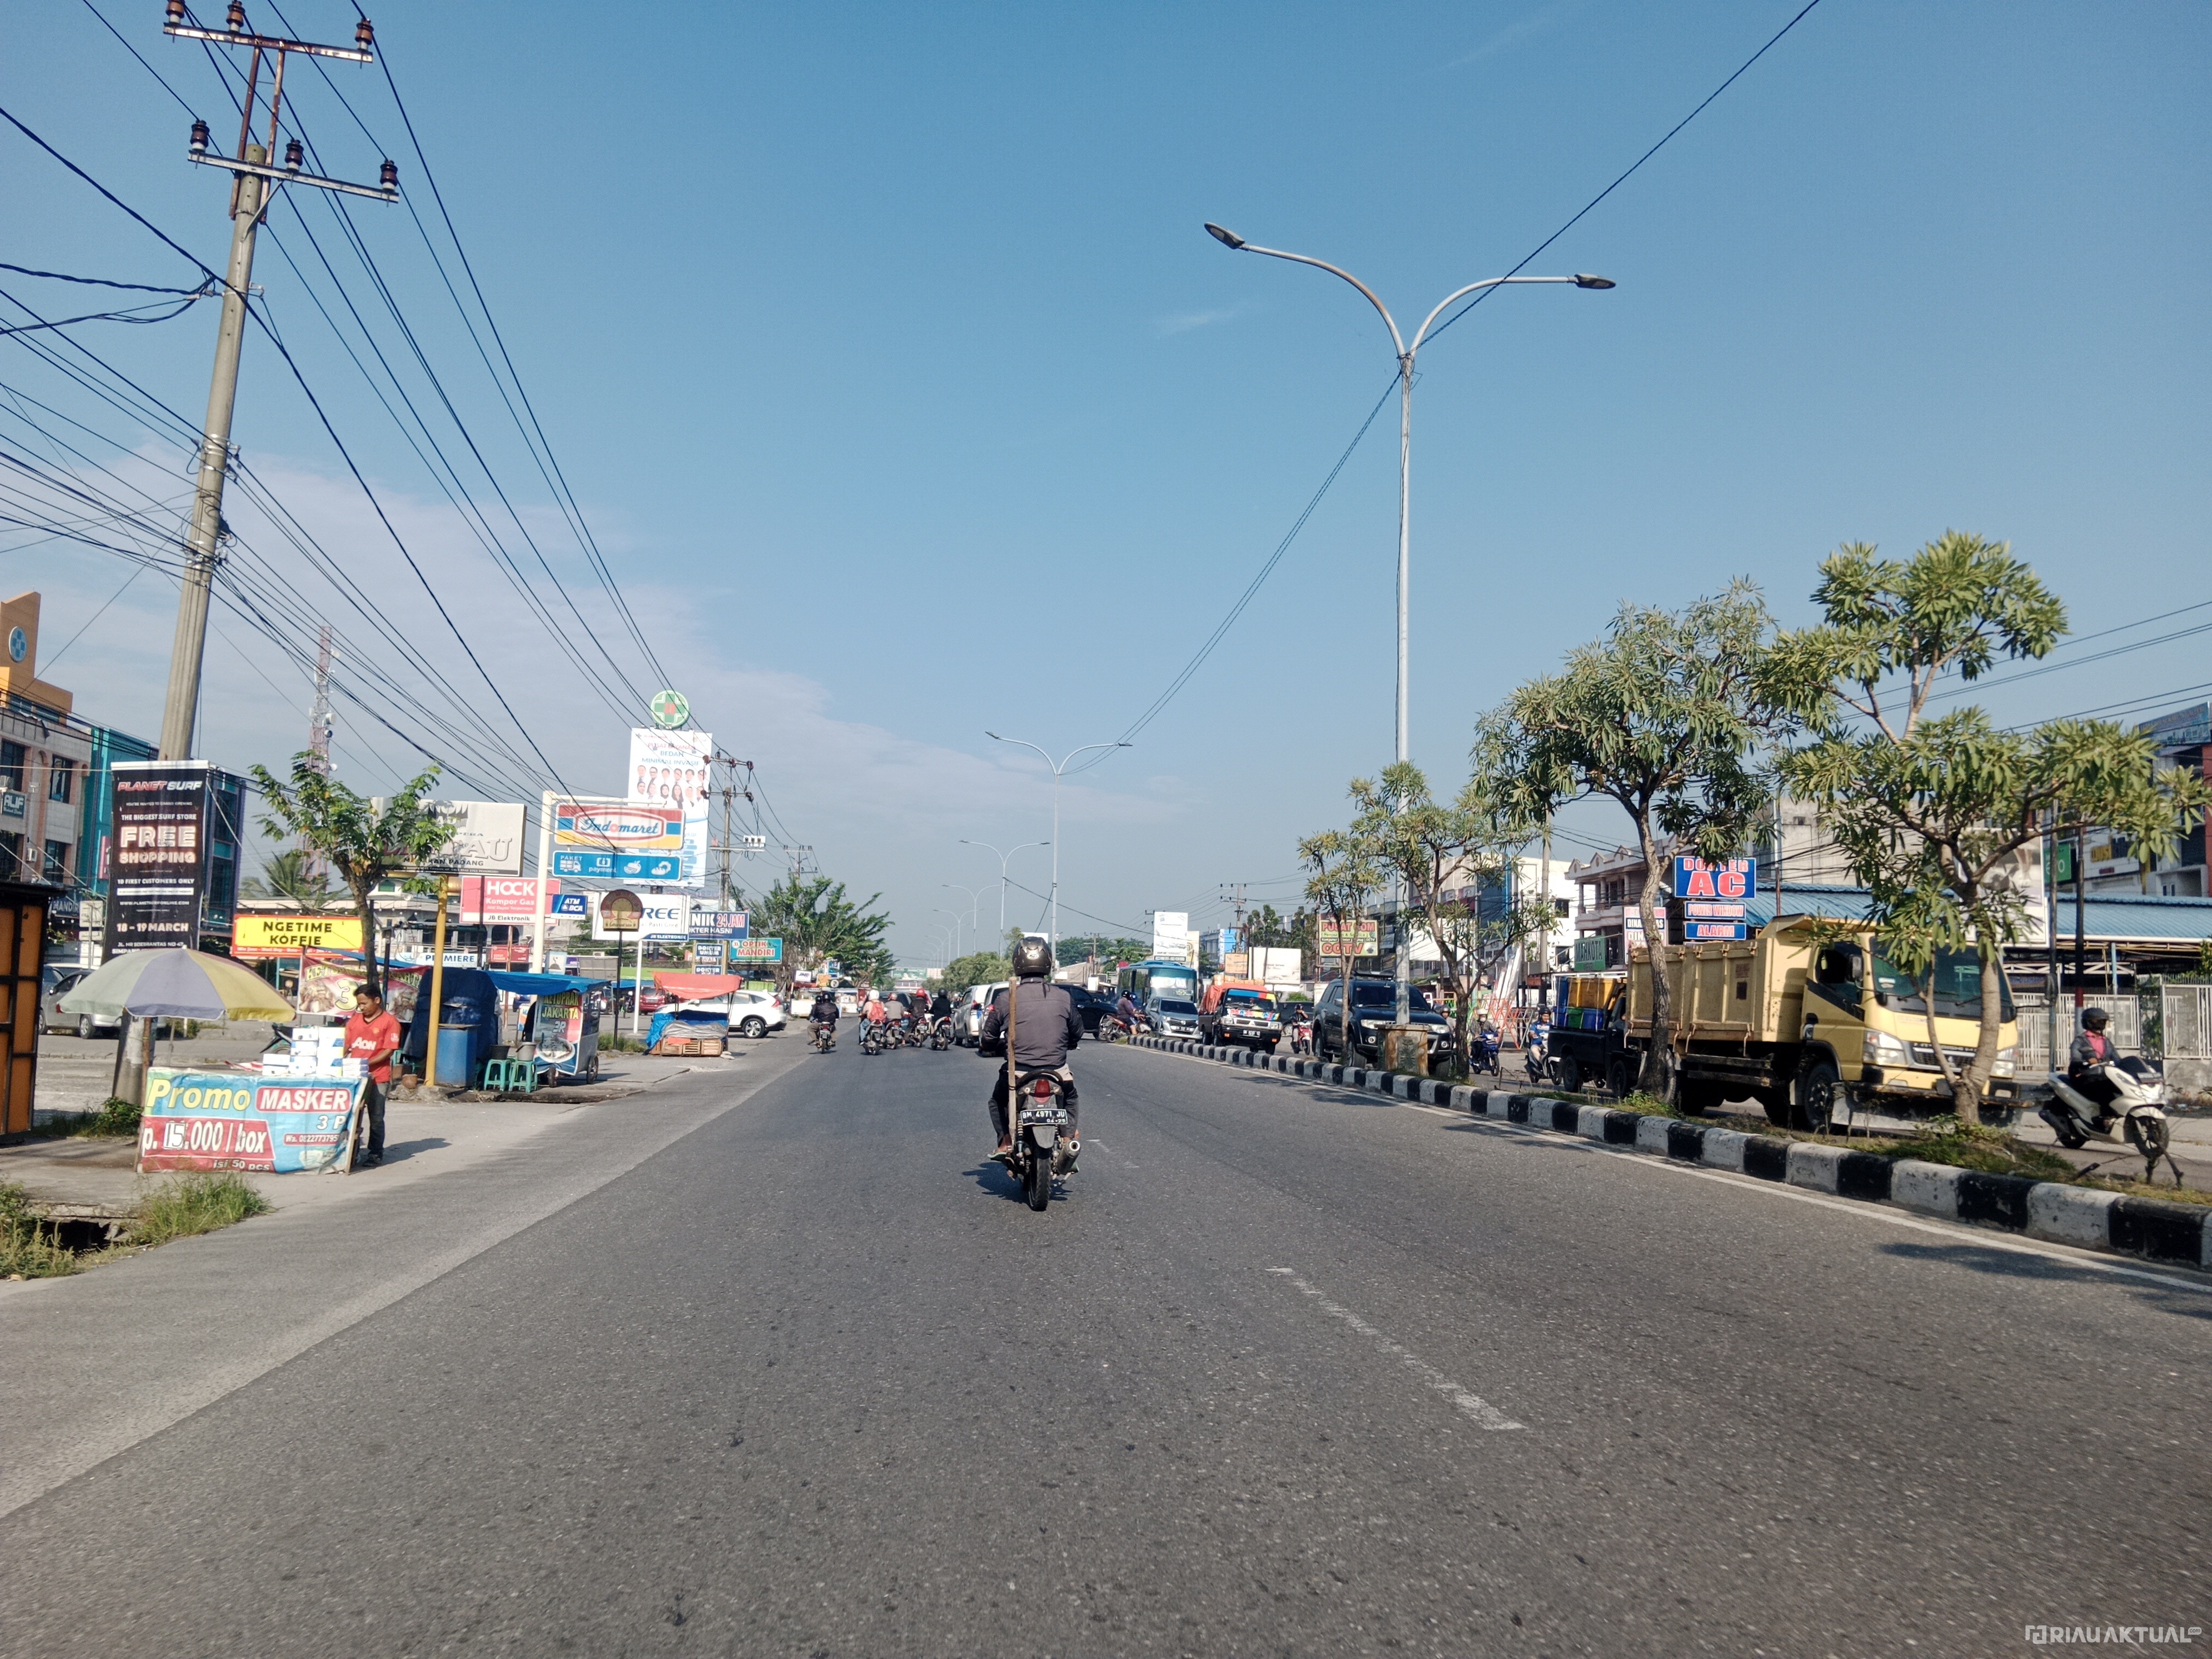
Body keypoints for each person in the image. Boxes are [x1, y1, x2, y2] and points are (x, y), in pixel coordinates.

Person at [981, 936, 1084, 1166]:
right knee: (1071, 1096)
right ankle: (1068, 1138)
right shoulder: (1063, 996)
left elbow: (987, 1039)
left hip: (1018, 1073)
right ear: (1048, 963)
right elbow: (1077, 1032)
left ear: (1018, 963)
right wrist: (1067, 1042)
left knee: (997, 1102)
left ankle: (1006, 1142)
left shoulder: (1007, 997)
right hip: (1057, 1071)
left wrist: (998, 1046)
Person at [344, 985, 403, 1167]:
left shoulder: (390, 1022)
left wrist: (367, 1064)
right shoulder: (354, 1021)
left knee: (376, 1116)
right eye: (359, 1004)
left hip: (378, 1077)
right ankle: (351, 1152)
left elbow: (389, 1050)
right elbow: (345, 1046)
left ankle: (376, 1152)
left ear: (376, 1000)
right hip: (354, 1076)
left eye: (364, 1003)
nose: (361, 1007)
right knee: (351, 1115)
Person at [2068, 1007, 2120, 1113]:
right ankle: (2105, 1118)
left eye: (2103, 1021)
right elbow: (2075, 1059)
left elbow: (2118, 1059)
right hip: (2086, 1077)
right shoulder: (2080, 1041)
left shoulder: (2106, 1041)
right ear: (2089, 1022)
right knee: (2105, 1092)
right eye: (2098, 1021)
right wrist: (2087, 1062)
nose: (2102, 1023)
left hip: (2105, 1076)